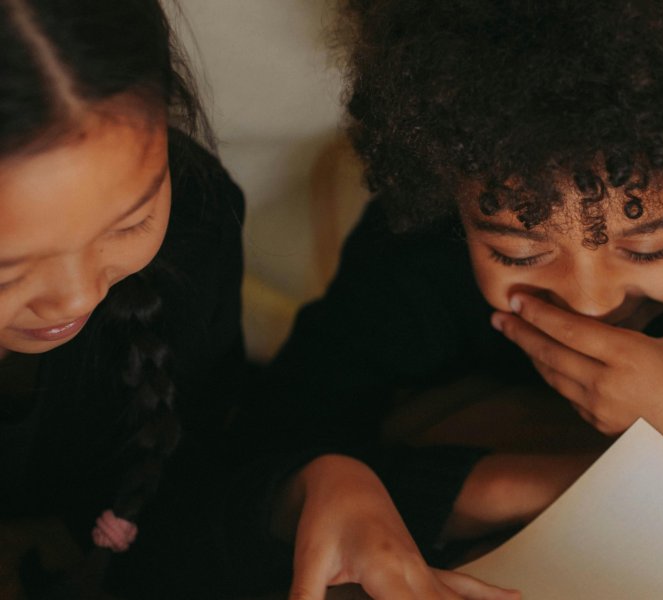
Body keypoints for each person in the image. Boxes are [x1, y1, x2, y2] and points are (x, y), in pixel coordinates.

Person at [270, 0, 663, 559]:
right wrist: (548, 485)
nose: (592, 300)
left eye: (650, 246)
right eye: (521, 253)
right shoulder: (416, 247)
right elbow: (269, 452)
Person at [0, 1, 516, 599]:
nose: (79, 294)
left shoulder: (192, 229)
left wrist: (314, 489)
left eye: (130, 222)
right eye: (8, 268)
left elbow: (179, 504)